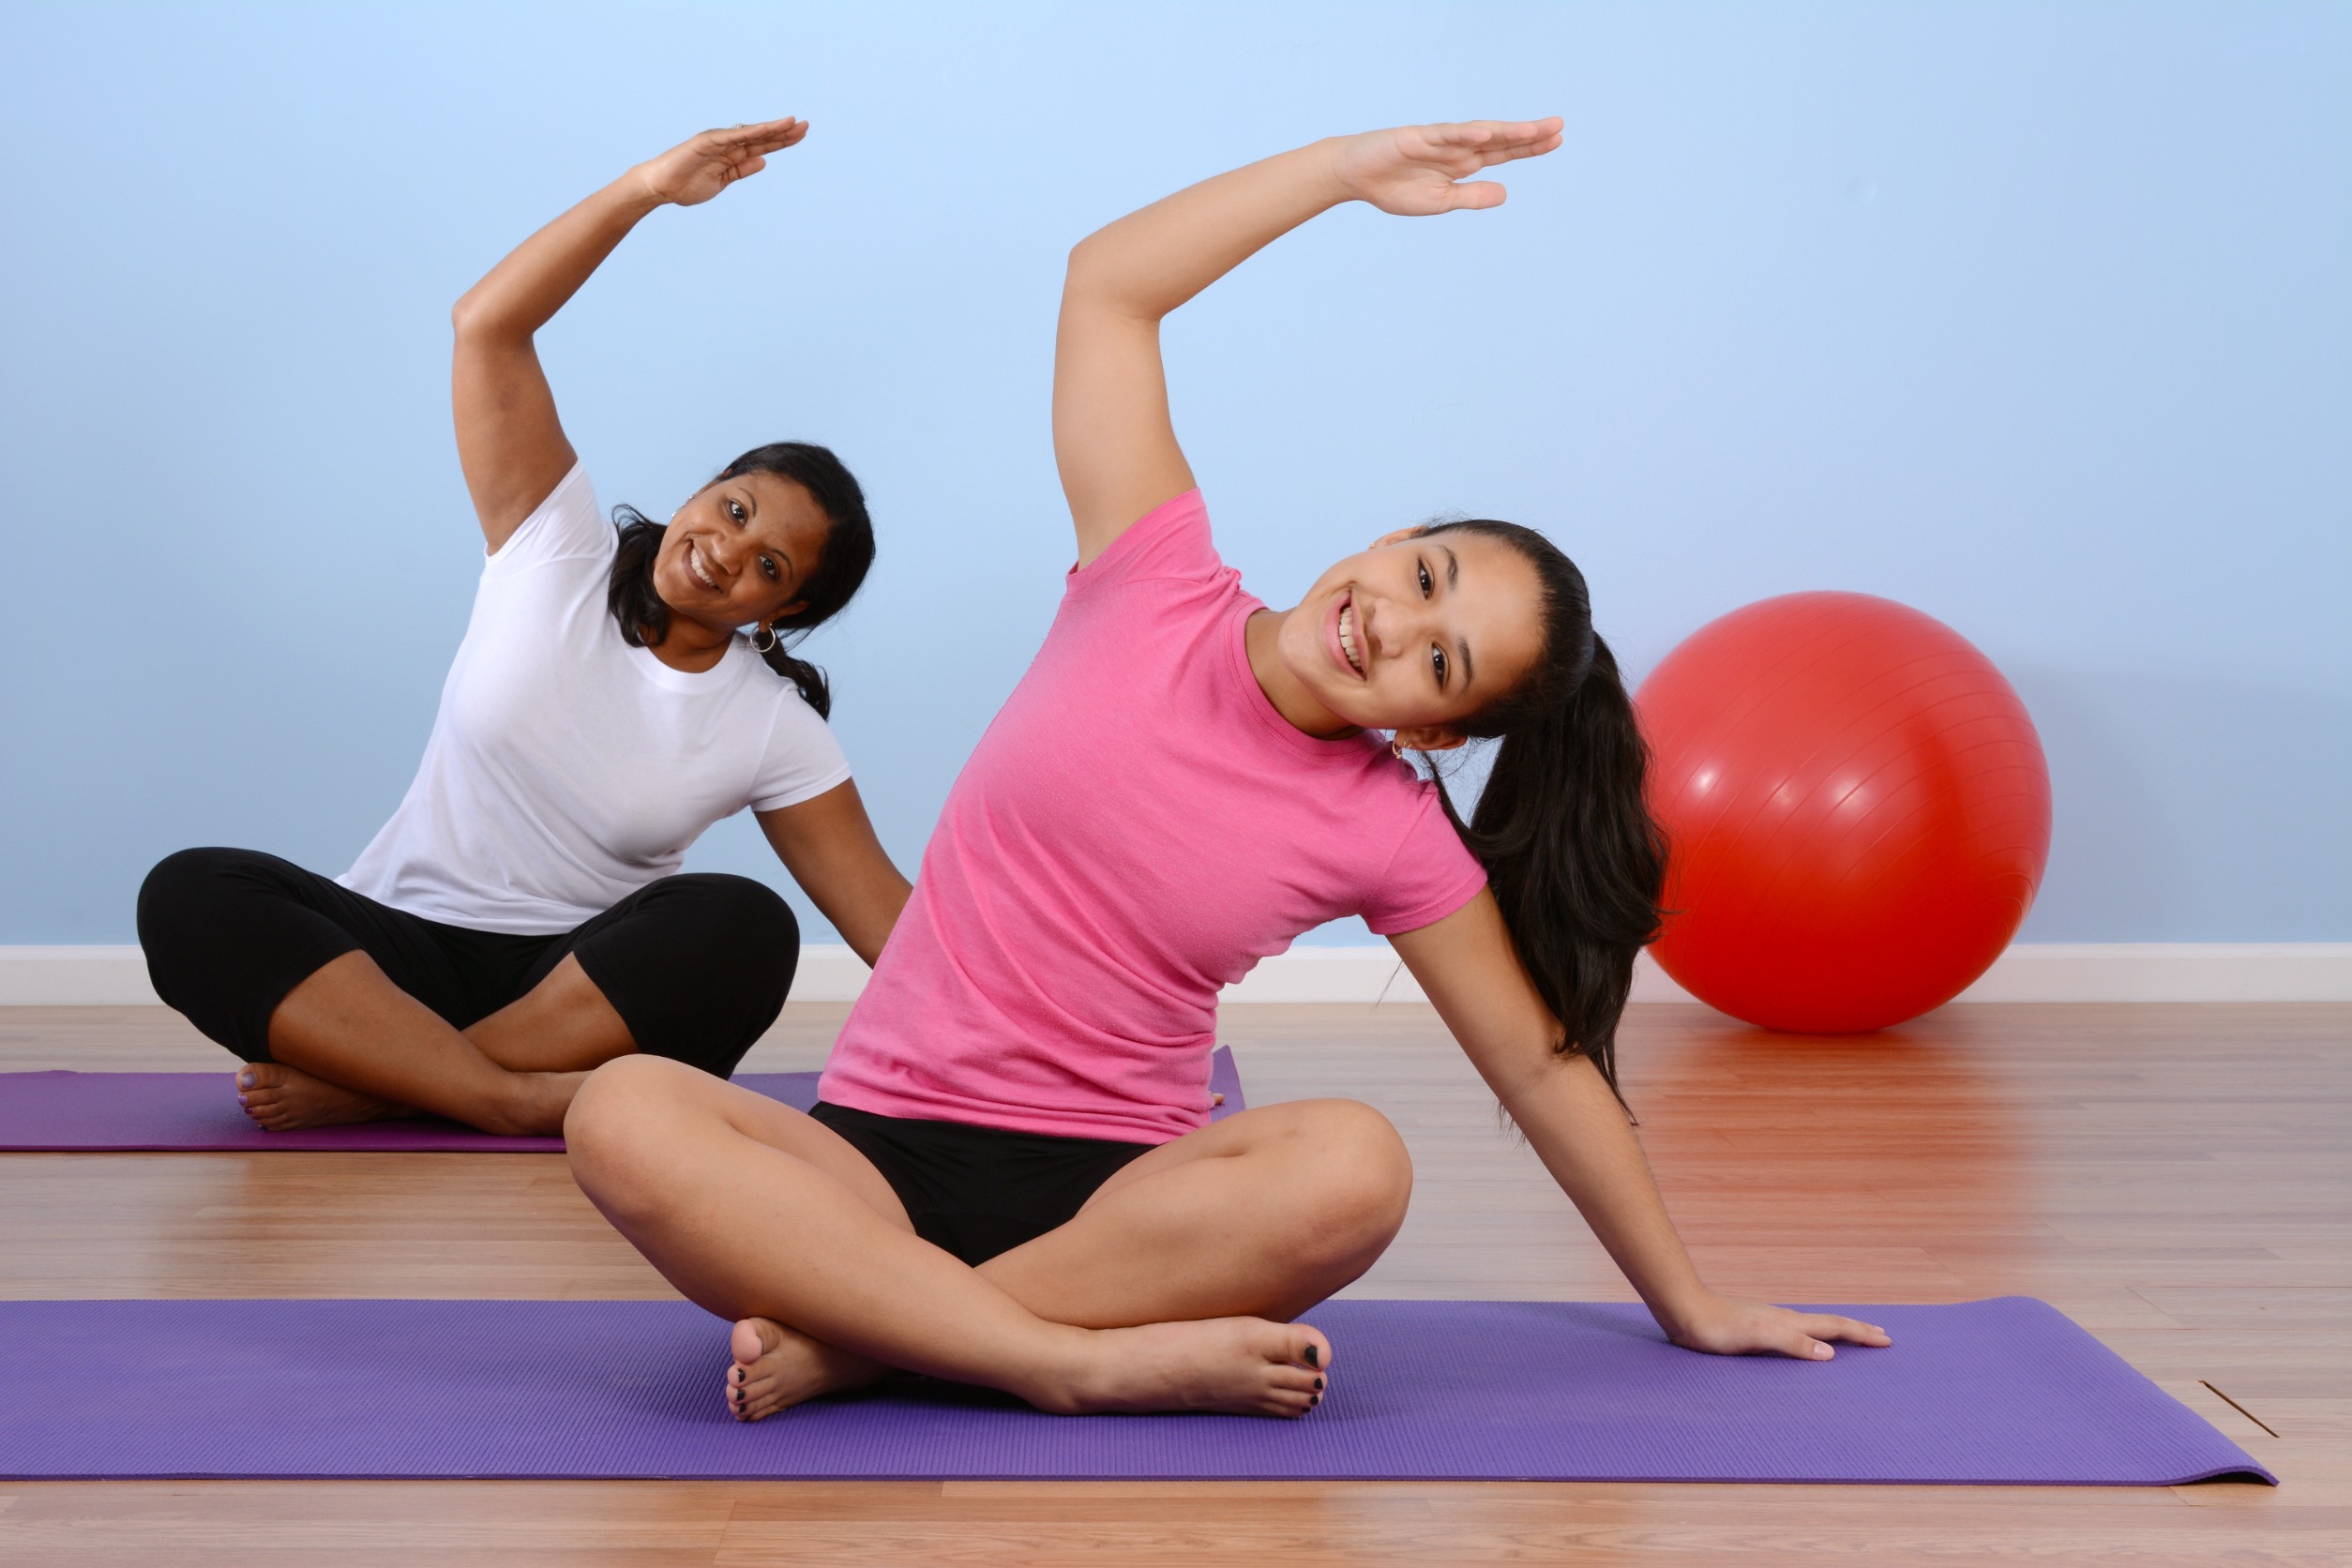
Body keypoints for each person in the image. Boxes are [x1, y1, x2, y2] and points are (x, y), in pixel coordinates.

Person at [564, 118, 1891, 1421]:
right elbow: (1110, 286)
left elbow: (1542, 1071)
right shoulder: (1151, 574)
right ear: (1390, 538)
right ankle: (1059, 1362)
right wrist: (1340, 173)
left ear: (1434, 733)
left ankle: (871, 1339)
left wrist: (1690, 1303)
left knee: (1356, 1165)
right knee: (623, 1110)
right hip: (869, 1152)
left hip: (1126, 1208)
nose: (1394, 625)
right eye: (1423, 579)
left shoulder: (1391, 826)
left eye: (1442, 666)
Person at [137, 119, 911, 1137]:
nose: (728, 551)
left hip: (575, 993)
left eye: (769, 565)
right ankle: (492, 1097)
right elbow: (487, 326)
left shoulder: (771, 727)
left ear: (787, 609)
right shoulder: (557, 548)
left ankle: (386, 1083)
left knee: (745, 925)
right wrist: (646, 188)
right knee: (191, 893)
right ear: (705, 490)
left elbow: (898, 936)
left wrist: (1086, 1064)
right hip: (389, 959)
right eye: (734, 509)